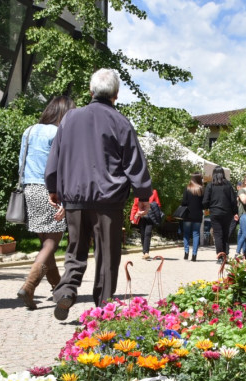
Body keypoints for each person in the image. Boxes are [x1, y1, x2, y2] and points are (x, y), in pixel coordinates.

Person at [46, 68, 151, 319]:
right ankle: (103, 307)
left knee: (75, 249)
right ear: (116, 94)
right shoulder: (121, 122)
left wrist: (53, 187)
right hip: (108, 199)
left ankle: (67, 291)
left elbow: (55, 156)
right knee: (107, 254)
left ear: (90, 91)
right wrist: (143, 195)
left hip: (74, 196)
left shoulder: (70, 118)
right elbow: (134, 163)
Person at [16, 96, 74, 310]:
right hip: (50, 190)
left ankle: (59, 288)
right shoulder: (59, 132)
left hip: (30, 188)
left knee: (45, 243)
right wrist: (64, 197)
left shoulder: (29, 130)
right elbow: (62, 167)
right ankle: (29, 285)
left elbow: (21, 161)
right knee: (52, 242)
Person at [202, 166, 237, 264]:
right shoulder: (228, 185)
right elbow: (233, 200)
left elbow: (205, 201)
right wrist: (235, 212)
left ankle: (220, 256)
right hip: (227, 213)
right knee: (225, 234)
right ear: (223, 174)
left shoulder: (210, 185)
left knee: (218, 234)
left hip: (215, 212)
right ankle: (225, 255)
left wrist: (208, 207)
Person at [129, 189, 162, 260]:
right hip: (141, 217)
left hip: (150, 217)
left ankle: (146, 252)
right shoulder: (138, 192)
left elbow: (158, 204)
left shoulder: (154, 192)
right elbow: (135, 206)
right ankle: (144, 252)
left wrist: (151, 207)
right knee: (143, 234)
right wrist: (132, 218)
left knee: (148, 233)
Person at [180, 173, 204, 261]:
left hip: (188, 214)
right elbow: (204, 203)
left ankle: (186, 253)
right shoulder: (201, 190)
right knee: (196, 234)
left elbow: (183, 202)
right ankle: (194, 254)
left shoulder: (187, 188)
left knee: (186, 234)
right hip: (197, 215)